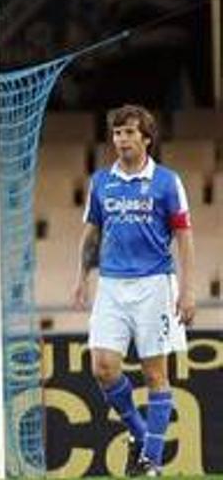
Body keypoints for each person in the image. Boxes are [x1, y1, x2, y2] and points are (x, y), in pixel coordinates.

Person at [72, 104, 196, 477]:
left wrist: (187, 290)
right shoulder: (100, 182)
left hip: (154, 284)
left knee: (155, 373)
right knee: (103, 366)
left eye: (129, 132)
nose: (122, 139)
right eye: (117, 133)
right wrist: (81, 277)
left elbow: (184, 237)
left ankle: (151, 462)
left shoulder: (167, 181)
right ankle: (142, 438)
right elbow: (91, 232)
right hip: (111, 284)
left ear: (146, 138)